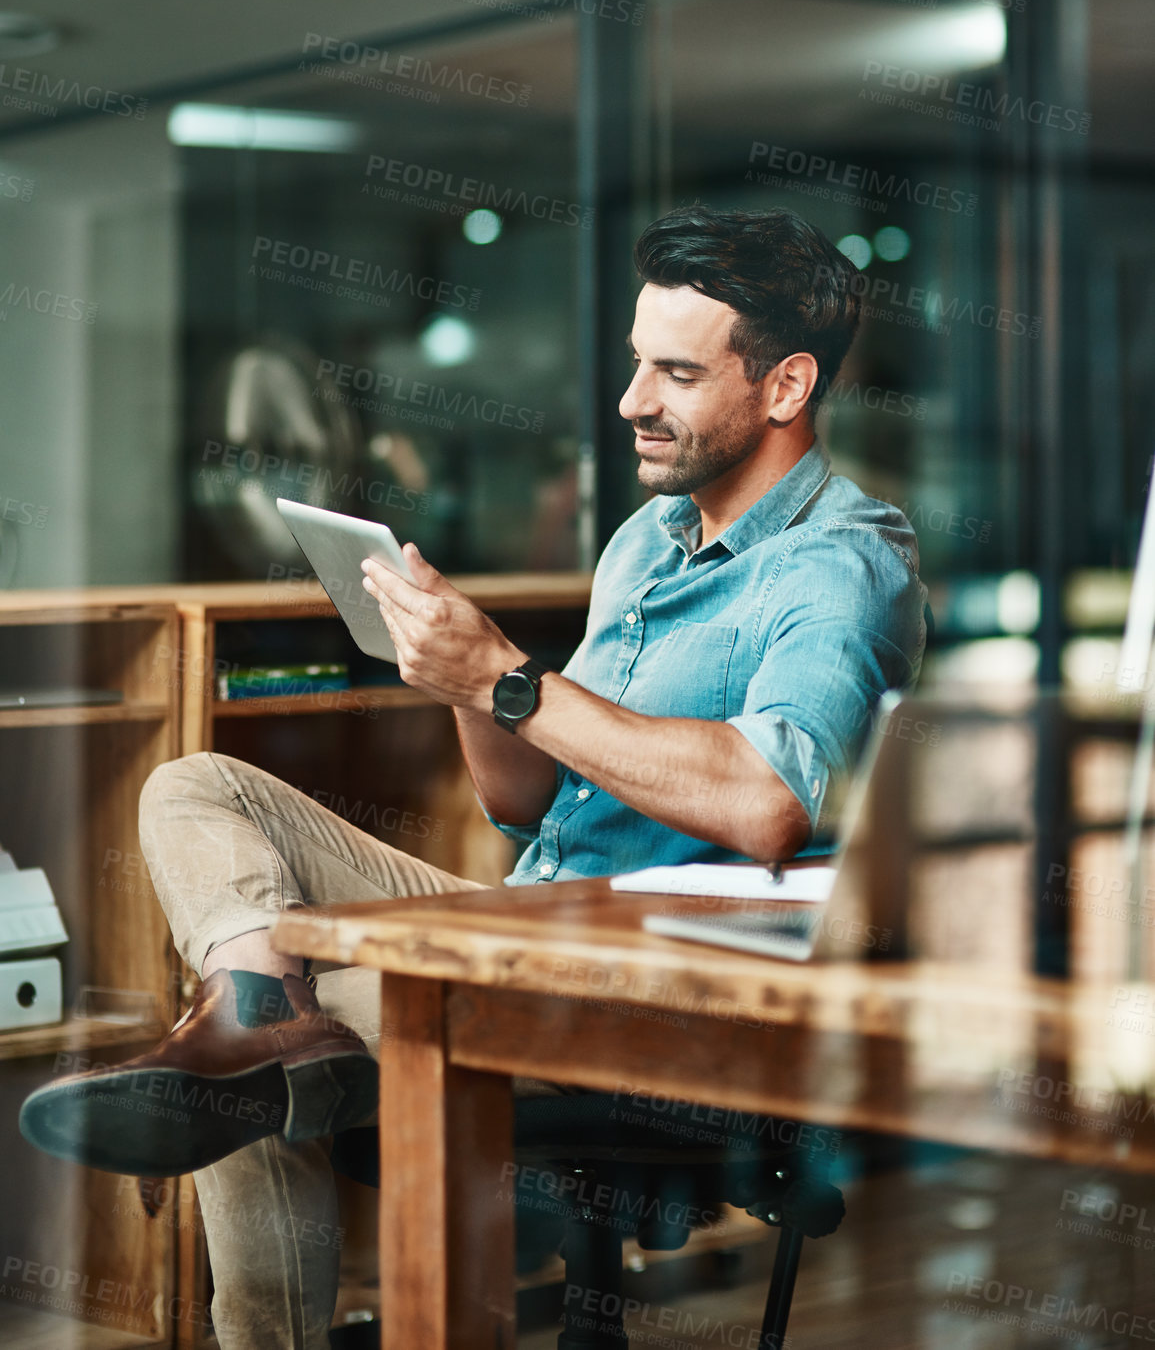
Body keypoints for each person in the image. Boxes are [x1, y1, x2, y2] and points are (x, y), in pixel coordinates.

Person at [21, 206, 927, 1347]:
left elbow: (768, 804)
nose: (631, 400)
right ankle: (255, 1011)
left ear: (788, 386)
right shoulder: (647, 541)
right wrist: (455, 668)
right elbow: (527, 803)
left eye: (675, 372)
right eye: (637, 361)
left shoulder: (844, 566)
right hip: (529, 928)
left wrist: (510, 681)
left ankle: (256, 1022)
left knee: (284, 1040)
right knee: (198, 788)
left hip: (666, 1000)